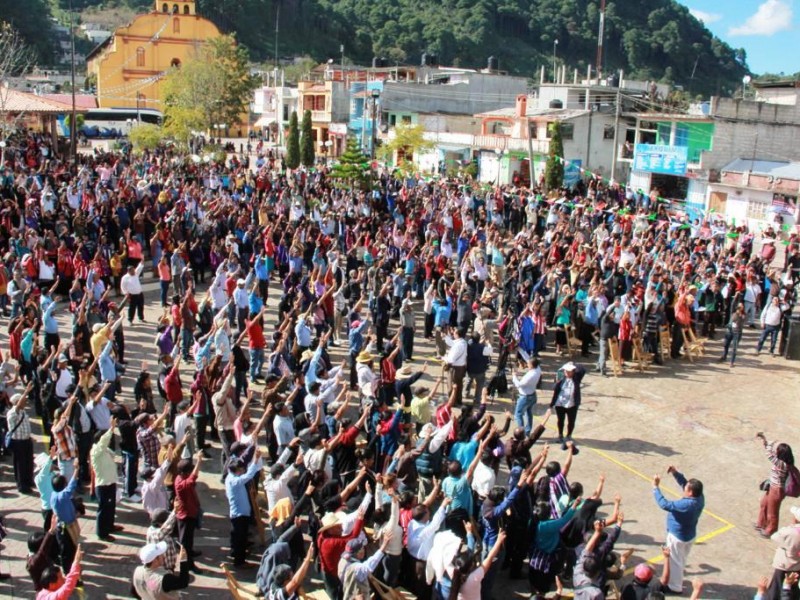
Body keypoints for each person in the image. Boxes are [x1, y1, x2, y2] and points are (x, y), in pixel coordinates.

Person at [652, 466, 705, 593]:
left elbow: (664, 504)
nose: (684, 488)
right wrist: (675, 473)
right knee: (680, 559)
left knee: (675, 561)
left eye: (687, 488)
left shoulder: (686, 505)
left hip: (677, 537)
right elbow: (684, 483)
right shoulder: (700, 498)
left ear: (690, 492)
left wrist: (655, 488)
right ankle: (675, 580)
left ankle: (674, 587)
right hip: (689, 534)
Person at [226, 447, 264, 567]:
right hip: (239, 514)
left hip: (238, 512)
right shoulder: (235, 481)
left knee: (237, 536)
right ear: (237, 470)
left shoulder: (231, 478)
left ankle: (236, 554)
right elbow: (249, 475)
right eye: (241, 469)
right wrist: (256, 460)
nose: (243, 470)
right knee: (240, 538)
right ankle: (239, 561)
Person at [756, 432, 795, 537]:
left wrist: (770, 442)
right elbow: (770, 452)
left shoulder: (783, 464)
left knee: (772, 512)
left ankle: (770, 530)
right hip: (773, 487)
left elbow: (769, 455)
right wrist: (765, 441)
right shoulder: (782, 461)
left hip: (777, 489)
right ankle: (761, 524)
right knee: (764, 504)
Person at [549, 362, 586, 451]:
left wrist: (573, 363)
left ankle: (569, 435)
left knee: (571, 421)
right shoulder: (561, 377)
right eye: (565, 371)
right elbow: (555, 388)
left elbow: (583, 369)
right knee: (560, 420)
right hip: (560, 404)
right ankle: (560, 435)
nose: (567, 373)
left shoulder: (576, 378)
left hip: (572, 404)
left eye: (569, 371)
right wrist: (552, 404)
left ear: (573, 371)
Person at [6, 382, 35, 493]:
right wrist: (26, 391)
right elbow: (17, 407)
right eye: (23, 400)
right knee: (20, 465)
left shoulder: (23, 412)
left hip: (26, 441)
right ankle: (22, 486)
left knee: (28, 463)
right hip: (18, 443)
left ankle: (28, 481)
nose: (25, 401)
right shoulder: (13, 412)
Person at [512, 357, 541, 436]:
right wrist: (521, 349)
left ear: (531, 365)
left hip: (525, 397)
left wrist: (514, 376)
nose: (527, 364)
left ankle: (521, 432)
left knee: (518, 414)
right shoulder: (538, 369)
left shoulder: (530, 376)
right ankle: (527, 431)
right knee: (528, 412)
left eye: (528, 364)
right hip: (532, 395)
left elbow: (519, 385)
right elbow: (527, 356)